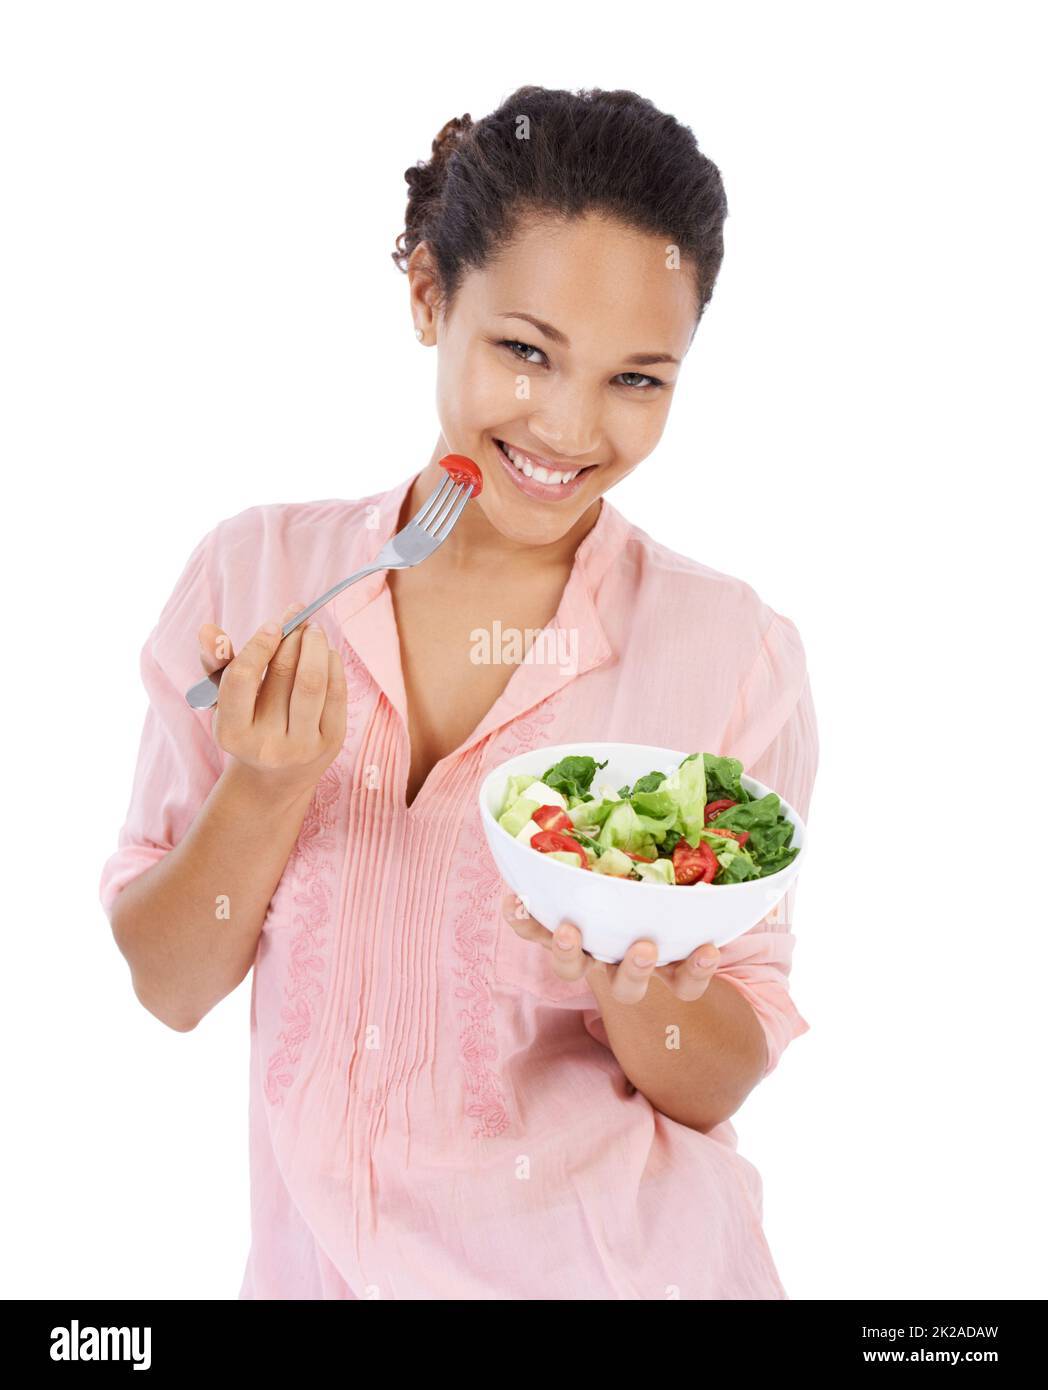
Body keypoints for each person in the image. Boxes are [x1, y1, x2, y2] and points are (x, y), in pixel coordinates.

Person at [100, 85, 818, 1300]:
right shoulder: (258, 576)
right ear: (431, 297)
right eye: (525, 351)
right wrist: (265, 786)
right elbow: (170, 985)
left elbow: (717, 1074)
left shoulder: (729, 649)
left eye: (638, 380)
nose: (569, 426)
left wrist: (633, 983)